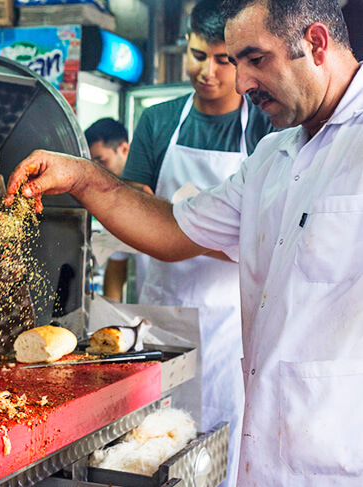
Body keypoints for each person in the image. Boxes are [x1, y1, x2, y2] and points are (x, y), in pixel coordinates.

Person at [4, 0, 362, 484]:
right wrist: (83, 176)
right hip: (273, 450)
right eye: (236, 63)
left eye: (255, 59)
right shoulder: (273, 156)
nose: (241, 84)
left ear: (316, 44)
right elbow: (174, 228)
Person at [121, 2, 275, 484]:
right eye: (195, 55)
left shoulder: (264, 128)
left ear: (241, 60)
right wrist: (215, 229)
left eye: (222, 59)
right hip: (161, 313)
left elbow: (265, 231)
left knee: (220, 440)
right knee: (152, 443)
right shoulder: (158, 121)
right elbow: (131, 209)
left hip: (233, 321)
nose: (206, 72)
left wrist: (177, 222)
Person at [84, 118, 147, 302]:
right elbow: (116, 266)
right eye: (92, 163)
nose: (97, 170)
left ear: (124, 149)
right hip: (150, 305)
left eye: (101, 161)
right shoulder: (118, 197)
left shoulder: (148, 189)